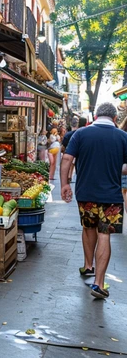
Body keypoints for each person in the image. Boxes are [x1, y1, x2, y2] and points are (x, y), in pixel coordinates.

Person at [60, 103, 127, 299]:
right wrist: (115, 168)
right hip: (112, 197)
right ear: (115, 119)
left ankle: (88, 266)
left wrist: (65, 184)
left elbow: (66, 159)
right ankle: (98, 283)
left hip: (85, 193)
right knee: (104, 234)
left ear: (96, 116)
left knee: (88, 228)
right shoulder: (123, 137)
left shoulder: (80, 134)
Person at [62, 117, 87, 183]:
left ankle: (68, 176)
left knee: (69, 163)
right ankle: (70, 175)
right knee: (73, 164)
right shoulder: (87, 134)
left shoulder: (71, 134)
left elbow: (64, 143)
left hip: (69, 152)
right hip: (80, 154)